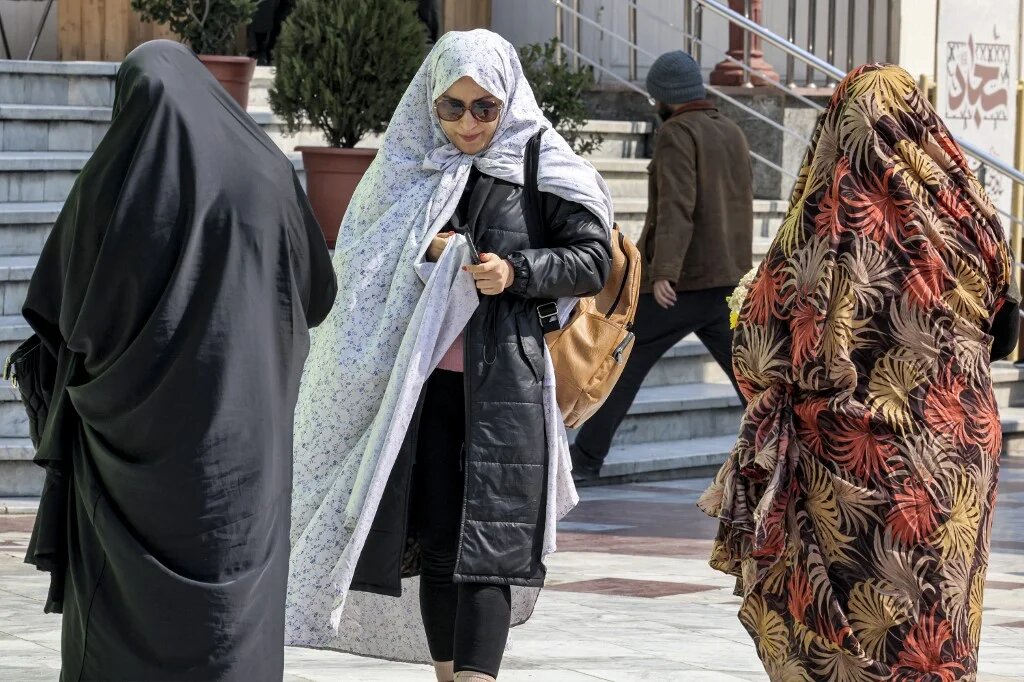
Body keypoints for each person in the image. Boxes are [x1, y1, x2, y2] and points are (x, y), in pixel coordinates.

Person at [286, 30, 613, 682]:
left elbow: (592, 259)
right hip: (419, 387)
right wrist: (427, 252)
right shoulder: (408, 166)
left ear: (509, 100)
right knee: (438, 544)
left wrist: (514, 271)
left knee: (490, 547)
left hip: (507, 384)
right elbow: (361, 265)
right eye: (453, 108)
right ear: (429, 105)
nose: (468, 123)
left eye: (485, 107)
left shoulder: (537, 161)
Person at [21, 40, 337, 680]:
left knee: (122, 622)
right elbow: (318, 294)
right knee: (236, 617)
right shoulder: (271, 172)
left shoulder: (124, 177)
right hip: (245, 452)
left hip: (138, 454)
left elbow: (65, 308)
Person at [699, 64, 1018, 680]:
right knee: (938, 617)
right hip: (958, 452)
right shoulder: (969, 218)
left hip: (848, 466)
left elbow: (761, 352)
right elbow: (1002, 315)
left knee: (853, 631)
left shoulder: (824, 225)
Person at [570, 50, 752, 482]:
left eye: (655, 99)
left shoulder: (676, 134)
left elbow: (676, 205)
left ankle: (587, 460)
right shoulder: (732, 131)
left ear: (665, 97)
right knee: (749, 379)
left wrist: (664, 270)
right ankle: (792, 453)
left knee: (625, 359)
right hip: (727, 280)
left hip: (681, 284)